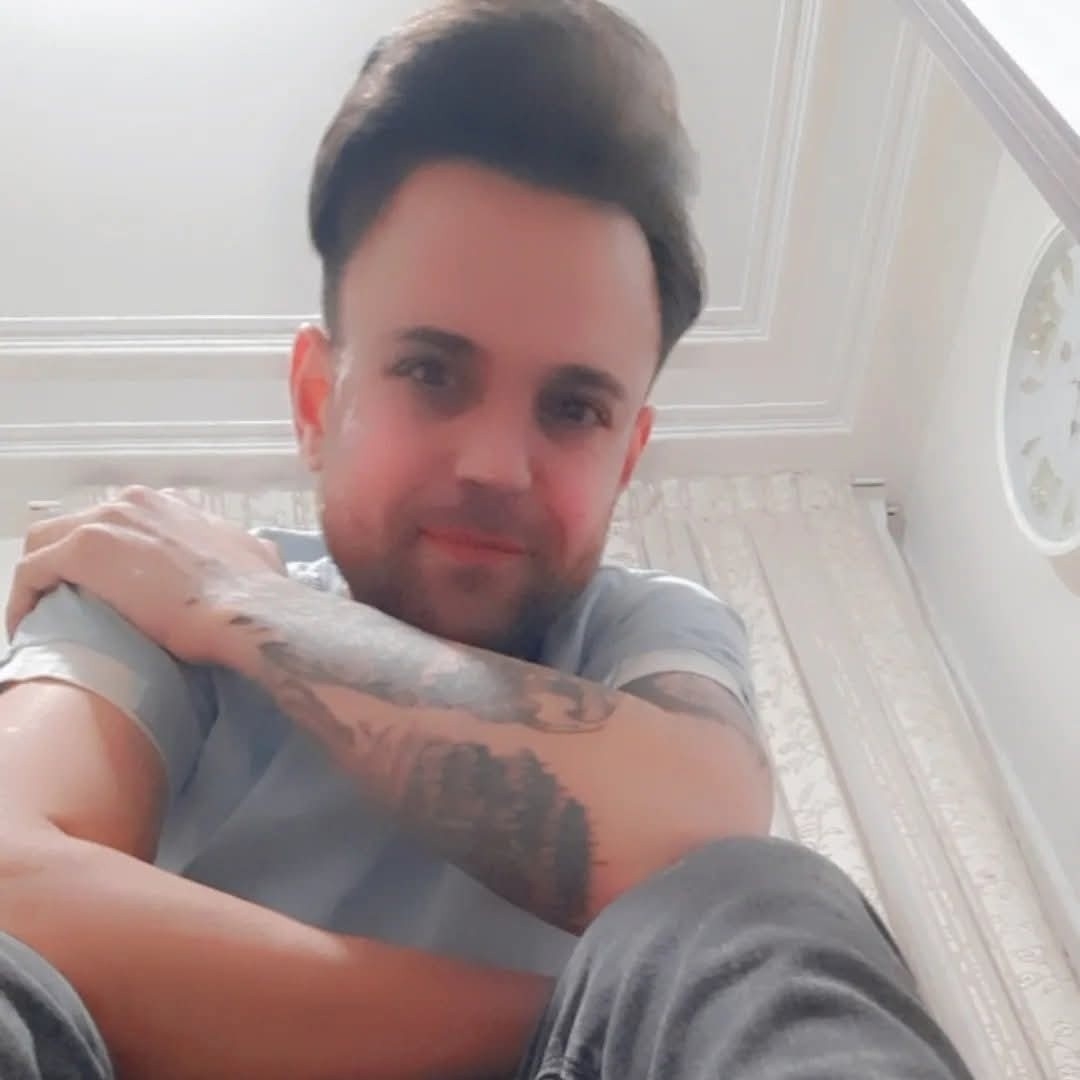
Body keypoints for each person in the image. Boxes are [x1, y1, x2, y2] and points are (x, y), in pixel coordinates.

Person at [0, 1, 974, 1077]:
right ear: (317, 402)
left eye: (574, 409)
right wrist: (577, 1039)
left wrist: (245, 608)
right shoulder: (142, 585)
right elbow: (12, 892)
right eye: (430, 371)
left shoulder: (645, 627)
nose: (498, 466)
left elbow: (696, 842)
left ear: (628, 458)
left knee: (760, 908)